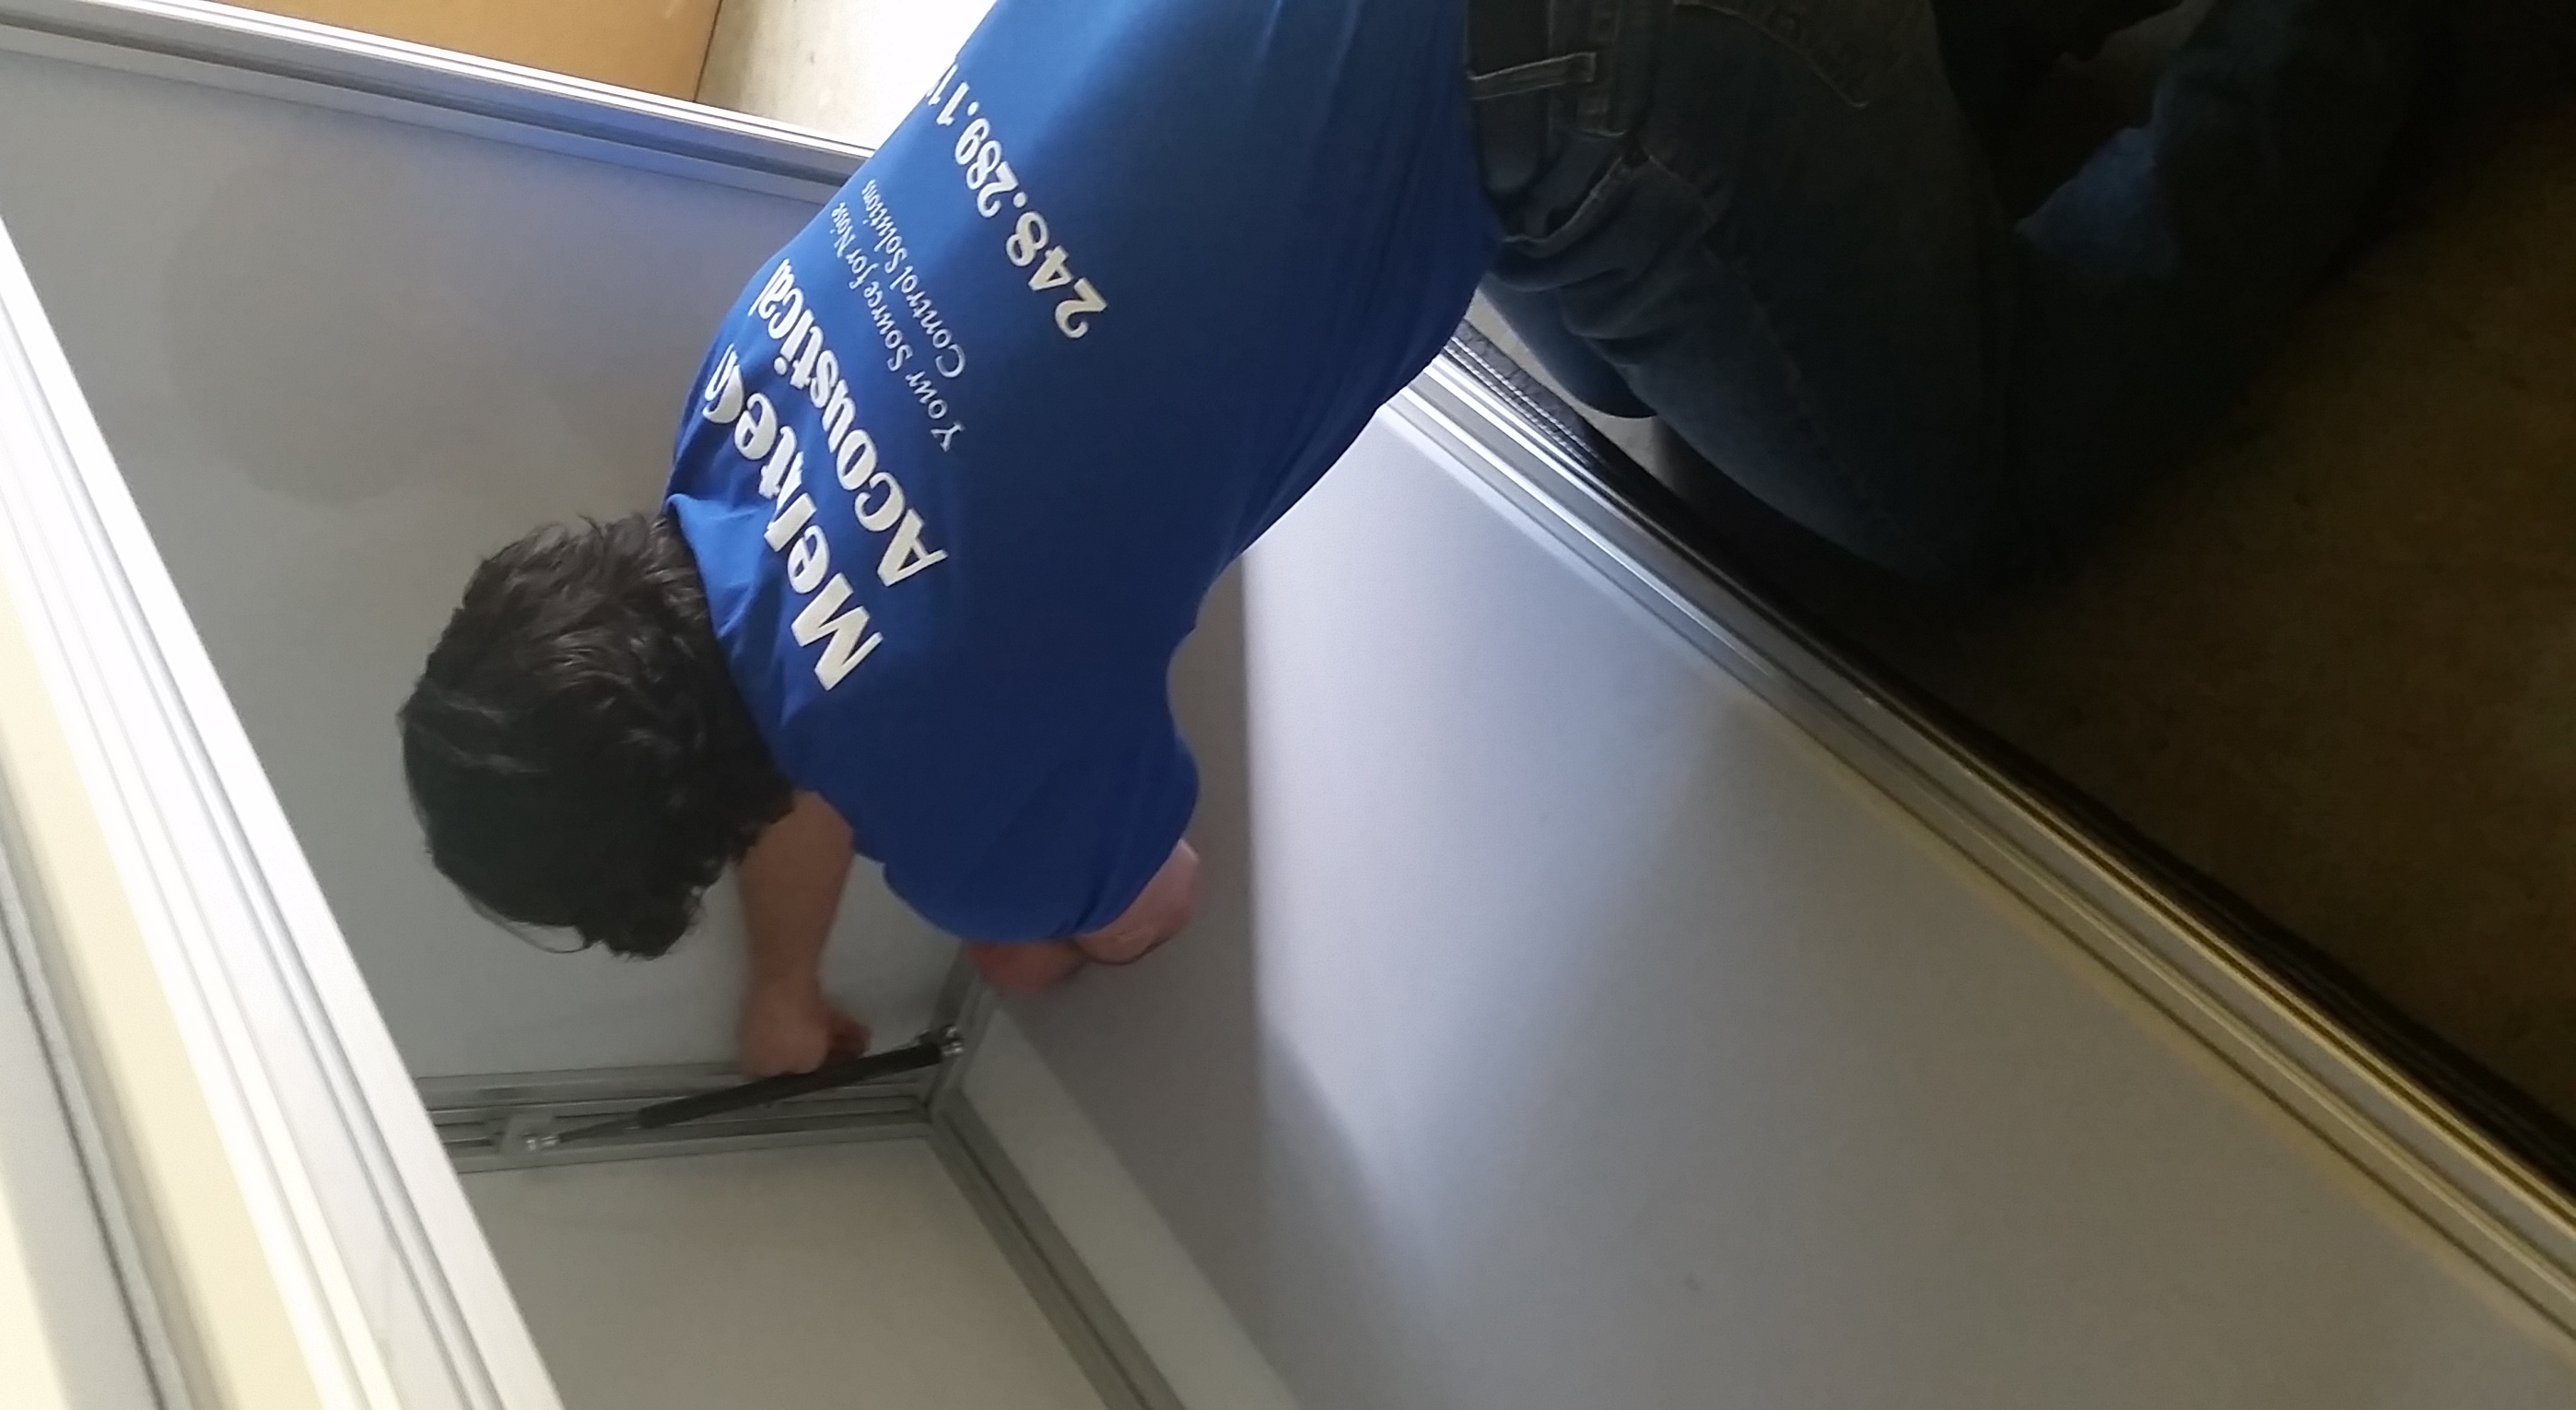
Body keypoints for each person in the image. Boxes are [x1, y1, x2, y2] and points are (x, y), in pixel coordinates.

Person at [402, 0, 2446, 1075]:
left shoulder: (953, 762)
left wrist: (939, 925)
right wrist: (789, 973)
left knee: (1960, 480)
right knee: (1693, 290)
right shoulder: (729, 405)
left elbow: (1111, 910)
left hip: (1581, 43)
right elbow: (794, 693)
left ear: (696, 828)